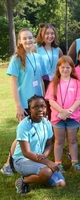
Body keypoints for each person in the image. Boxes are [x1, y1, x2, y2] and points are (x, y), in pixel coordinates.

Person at [1, 28, 47, 176]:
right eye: (24, 38)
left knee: (34, 134)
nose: (28, 40)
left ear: (34, 39)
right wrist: (18, 106)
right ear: (20, 41)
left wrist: (45, 101)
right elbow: (13, 83)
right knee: (22, 136)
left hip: (38, 104)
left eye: (30, 38)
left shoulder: (38, 57)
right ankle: (8, 164)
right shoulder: (16, 59)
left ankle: (29, 161)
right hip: (25, 104)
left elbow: (40, 80)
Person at [12, 95, 66, 194]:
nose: (40, 109)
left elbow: (49, 145)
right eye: (36, 107)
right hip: (22, 160)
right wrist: (48, 163)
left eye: (43, 106)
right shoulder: (23, 126)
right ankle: (23, 181)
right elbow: (26, 153)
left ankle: (41, 176)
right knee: (47, 172)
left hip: (39, 159)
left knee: (61, 184)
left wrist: (44, 157)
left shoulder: (47, 123)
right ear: (29, 109)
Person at [45, 56, 80, 172]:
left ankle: (75, 162)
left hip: (72, 117)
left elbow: (79, 99)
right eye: (63, 67)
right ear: (58, 68)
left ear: (72, 69)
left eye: (68, 67)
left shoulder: (76, 83)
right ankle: (58, 163)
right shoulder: (54, 83)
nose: (65, 70)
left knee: (72, 140)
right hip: (58, 117)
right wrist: (62, 111)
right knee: (59, 140)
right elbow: (51, 100)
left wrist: (69, 111)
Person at [32, 23, 63, 90]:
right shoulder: (35, 48)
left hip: (55, 82)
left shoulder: (58, 50)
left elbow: (62, 65)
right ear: (41, 34)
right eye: (47, 33)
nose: (50, 36)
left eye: (52, 33)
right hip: (41, 82)